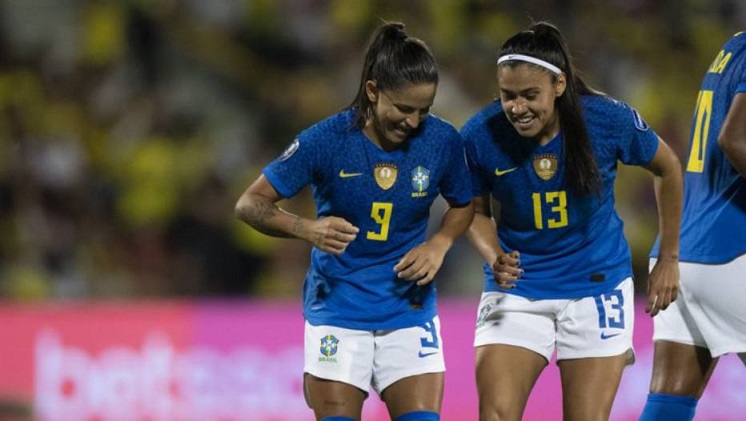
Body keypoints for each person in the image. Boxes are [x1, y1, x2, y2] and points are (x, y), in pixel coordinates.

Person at [234, 21, 474, 421]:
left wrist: (440, 243)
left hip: (408, 310)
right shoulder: (325, 141)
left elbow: (465, 205)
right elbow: (249, 203)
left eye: (423, 111)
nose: (414, 123)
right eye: (403, 109)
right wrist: (305, 228)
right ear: (373, 91)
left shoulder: (442, 141)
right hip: (339, 311)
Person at [460, 21, 683, 421]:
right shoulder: (480, 133)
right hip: (519, 287)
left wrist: (668, 257)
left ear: (559, 85)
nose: (517, 108)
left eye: (530, 95)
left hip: (596, 287)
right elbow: (474, 213)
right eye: (507, 95)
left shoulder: (606, 119)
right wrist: (492, 253)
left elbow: (668, 168)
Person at [640, 31, 746, 421]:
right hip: (733, 251)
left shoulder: (735, 45)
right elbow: (735, 138)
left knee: (670, 399)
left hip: (683, 252)